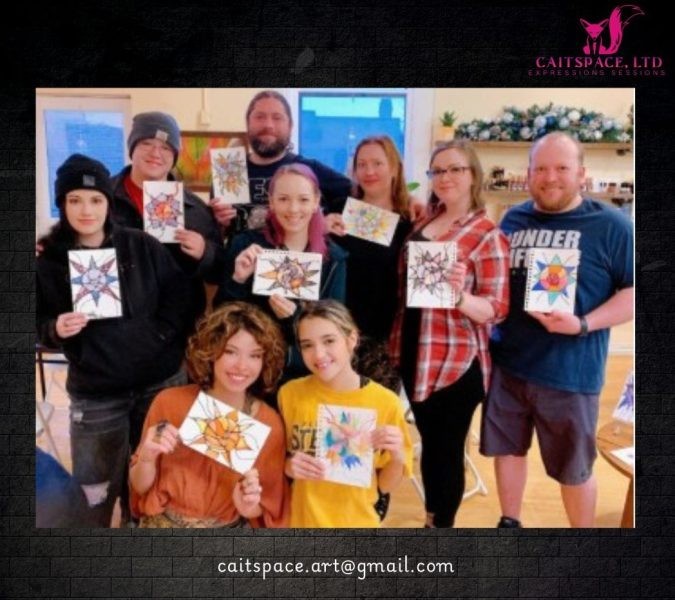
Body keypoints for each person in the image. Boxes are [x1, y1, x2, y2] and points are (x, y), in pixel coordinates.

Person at [481, 132, 634, 528]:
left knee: (574, 468)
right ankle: (509, 523)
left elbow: (634, 292)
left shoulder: (612, 225)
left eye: (562, 168)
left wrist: (582, 324)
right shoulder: (513, 219)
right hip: (509, 364)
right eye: (541, 169)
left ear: (581, 173)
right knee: (508, 450)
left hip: (571, 373)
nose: (550, 177)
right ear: (529, 173)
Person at [36, 154, 190, 526]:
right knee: (94, 496)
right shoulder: (49, 261)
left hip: (159, 385)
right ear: (62, 205)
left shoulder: (141, 244)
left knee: (152, 488)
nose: (86, 210)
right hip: (97, 395)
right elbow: (37, 320)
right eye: (74, 200)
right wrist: (55, 328)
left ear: (108, 202)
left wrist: (161, 334)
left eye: (96, 199)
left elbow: (181, 296)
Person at [389, 140, 510, 528]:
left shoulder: (487, 234)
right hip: (414, 351)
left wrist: (459, 297)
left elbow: (496, 309)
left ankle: (439, 528)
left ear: (473, 174)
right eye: (438, 170)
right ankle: (432, 519)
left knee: (446, 451)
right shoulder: (423, 222)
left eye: (455, 169)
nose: (445, 177)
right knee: (430, 445)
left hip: (455, 362)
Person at [129, 302, 289, 528]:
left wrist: (247, 505)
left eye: (255, 356)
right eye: (230, 351)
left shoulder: (269, 424)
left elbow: (269, 508)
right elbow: (140, 487)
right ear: (211, 351)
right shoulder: (169, 402)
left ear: (265, 362)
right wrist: (146, 457)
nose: (242, 366)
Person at [279, 300, 413, 527]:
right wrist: (288, 466)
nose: (318, 354)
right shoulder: (290, 394)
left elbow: (385, 486)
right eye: (307, 345)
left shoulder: (386, 403)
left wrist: (398, 456)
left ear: (351, 339)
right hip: (302, 521)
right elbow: (280, 461)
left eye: (329, 341)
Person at [214, 163, 347, 383]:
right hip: (250, 373)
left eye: (303, 199)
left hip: (305, 375)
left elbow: (333, 333)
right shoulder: (245, 245)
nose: (293, 209)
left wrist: (295, 317)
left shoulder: (334, 259)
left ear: (316, 202)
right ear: (271, 202)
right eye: (283, 199)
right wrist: (238, 279)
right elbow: (220, 320)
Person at [110, 111, 226, 326]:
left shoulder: (196, 209)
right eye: (146, 143)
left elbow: (220, 271)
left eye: (165, 147)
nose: (156, 153)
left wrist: (205, 252)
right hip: (117, 326)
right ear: (132, 148)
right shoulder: (100, 199)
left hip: (178, 328)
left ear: (174, 156)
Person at [326, 135, 413, 391]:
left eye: (377, 163)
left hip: (382, 337)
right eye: (361, 164)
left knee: (377, 408)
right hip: (337, 329)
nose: (369, 171)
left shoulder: (409, 220)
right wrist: (320, 227)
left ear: (394, 168)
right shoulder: (340, 209)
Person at [210, 90, 352, 233]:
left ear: (290, 126)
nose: (268, 125)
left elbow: (364, 219)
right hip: (240, 247)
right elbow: (216, 235)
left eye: (277, 118)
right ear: (248, 124)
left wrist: (325, 224)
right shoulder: (229, 170)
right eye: (260, 117)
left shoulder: (310, 169)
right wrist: (215, 222)